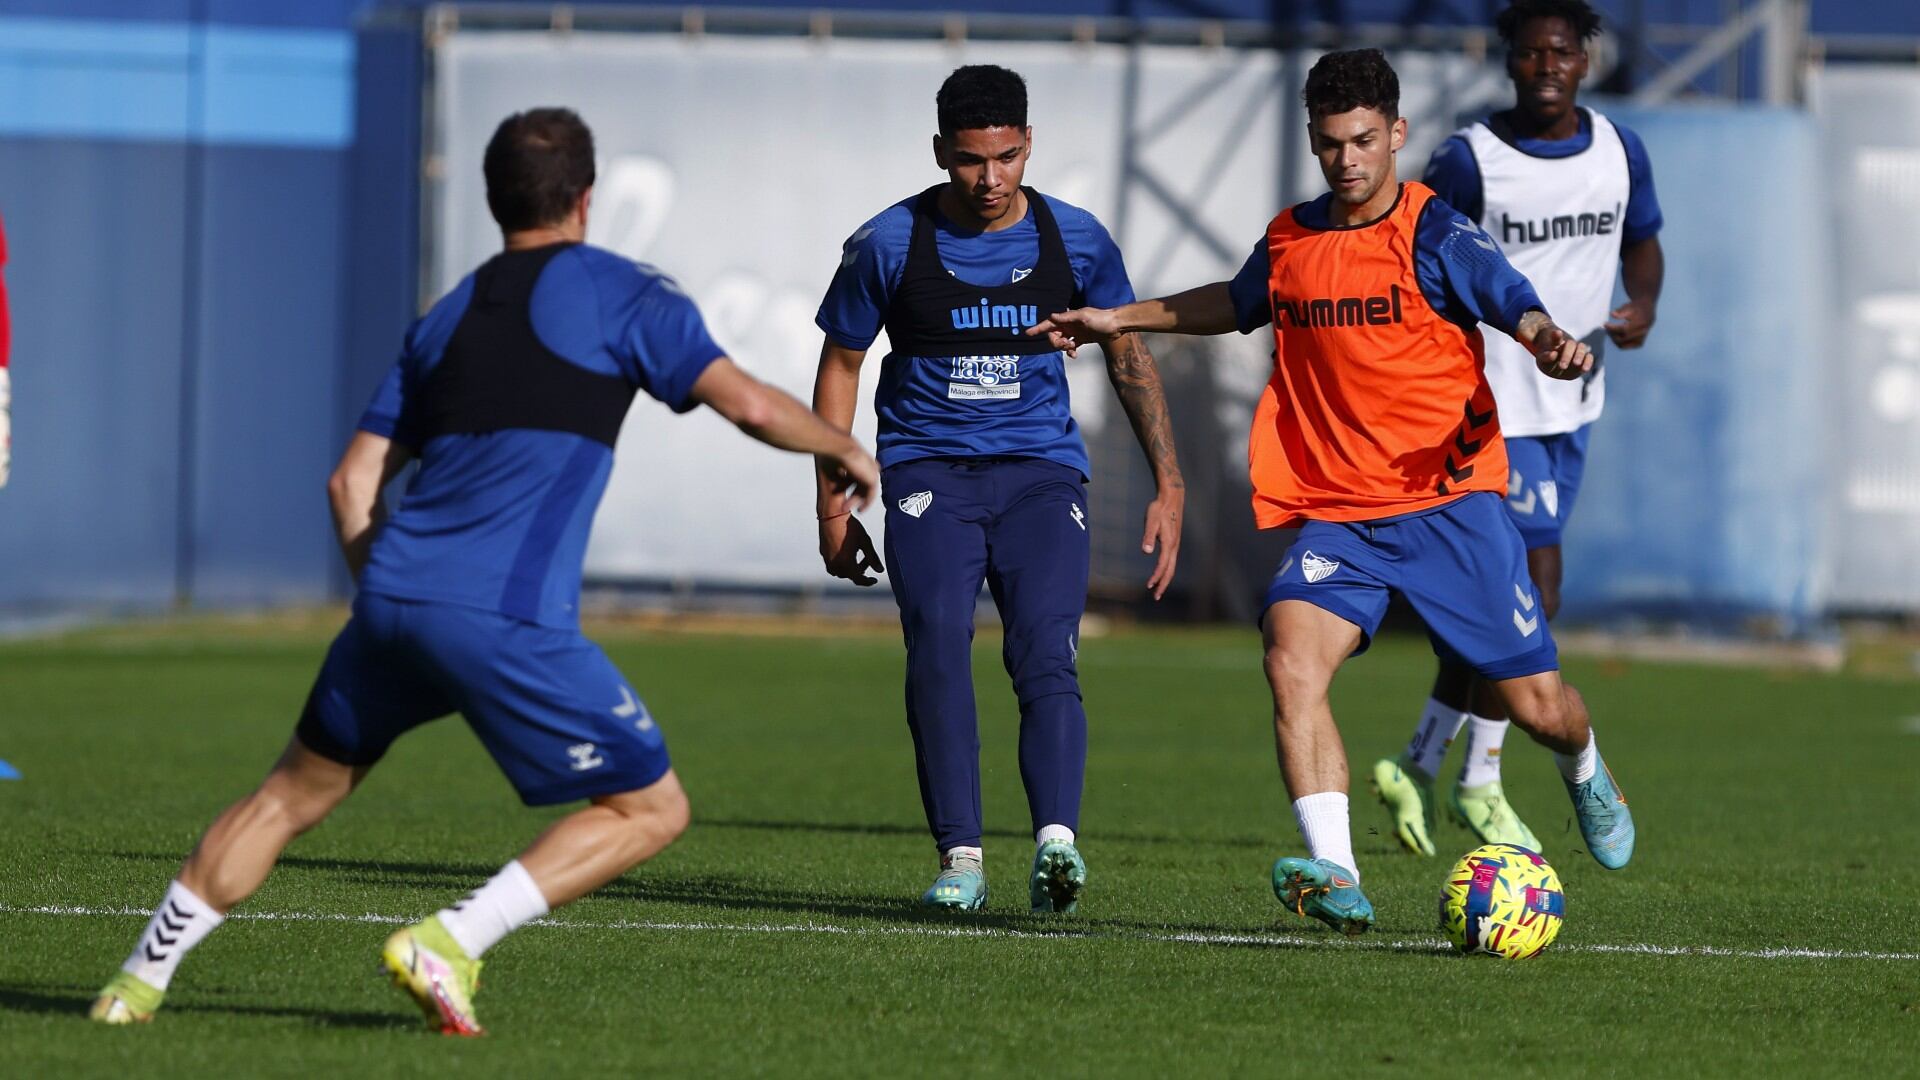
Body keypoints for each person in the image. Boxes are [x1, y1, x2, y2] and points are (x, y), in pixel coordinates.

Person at [90, 108, 879, 1032]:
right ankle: (451, 939)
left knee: (282, 800)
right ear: (586, 198)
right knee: (649, 808)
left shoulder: (446, 316)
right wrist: (843, 448)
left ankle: (132, 986)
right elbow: (743, 403)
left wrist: (389, 596)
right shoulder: (626, 294)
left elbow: (350, 485)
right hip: (502, 616)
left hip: (388, 602)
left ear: (495, 199)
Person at [1029, 48, 1634, 935]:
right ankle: (1338, 871)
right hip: (1340, 516)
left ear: (1396, 134)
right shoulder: (1292, 238)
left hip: (1448, 505)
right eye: (1328, 144)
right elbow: (1236, 302)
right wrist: (1121, 315)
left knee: (1540, 711)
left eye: (1361, 140)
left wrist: (1546, 339)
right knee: (1289, 661)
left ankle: (1586, 770)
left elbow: (1513, 299)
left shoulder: (1435, 232)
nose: (1346, 160)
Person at [812, 65, 1184, 914]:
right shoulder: (889, 243)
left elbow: (1128, 355)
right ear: (942, 151)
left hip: (1040, 476)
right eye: (972, 161)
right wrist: (833, 505)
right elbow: (840, 364)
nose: (990, 180)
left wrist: (1170, 479)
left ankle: (1057, 843)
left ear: (1029, 144)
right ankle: (962, 858)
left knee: (1044, 650)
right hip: (928, 474)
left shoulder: (1077, 241)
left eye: (1007, 158)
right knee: (939, 637)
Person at [1371, 0, 1664, 858]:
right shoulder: (1470, 160)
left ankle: (1422, 759)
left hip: (1572, 404)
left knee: (1503, 604)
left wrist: (1643, 303)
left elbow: (1643, 241)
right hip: (1490, 408)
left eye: (1562, 52)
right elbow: (1415, 256)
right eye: (1531, 53)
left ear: (1586, 59)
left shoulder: (1618, 151)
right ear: (1509, 61)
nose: (1547, 66)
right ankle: (1482, 781)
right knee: (1536, 593)